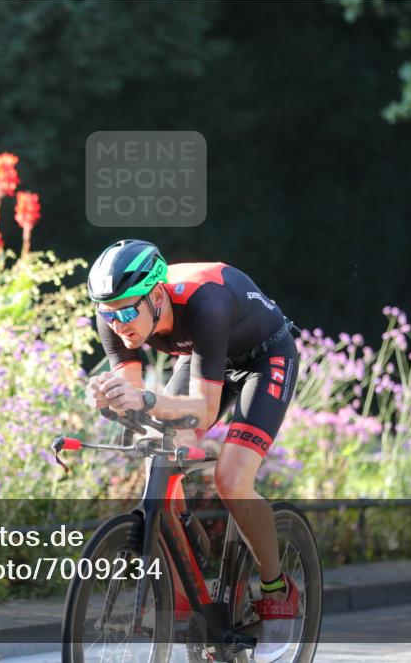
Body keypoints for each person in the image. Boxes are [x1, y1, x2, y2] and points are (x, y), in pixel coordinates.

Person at [86, 239, 301, 662]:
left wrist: (146, 400)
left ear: (157, 294)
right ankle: (186, 583)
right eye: (109, 314)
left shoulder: (206, 304)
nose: (118, 324)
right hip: (204, 357)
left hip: (265, 357)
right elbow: (132, 392)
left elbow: (201, 410)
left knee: (232, 478)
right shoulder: (113, 317)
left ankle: (277, 591)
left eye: (128, 311)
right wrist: (110, 395)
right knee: (161, 454)